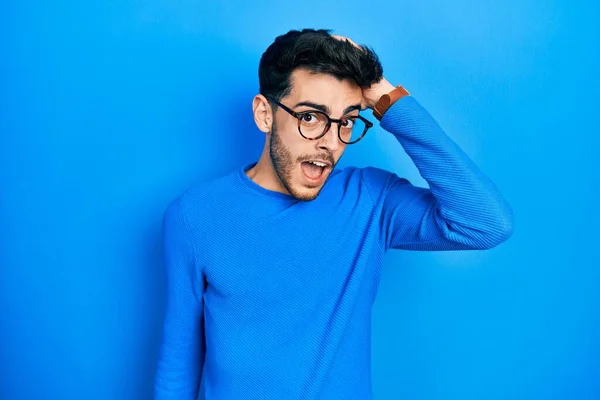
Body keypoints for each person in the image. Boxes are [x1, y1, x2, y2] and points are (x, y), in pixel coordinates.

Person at [153, 28, 514, 400]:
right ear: (265, 114)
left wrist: (385, 97)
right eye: (311, 117)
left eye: (346, 121)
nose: (330, 142)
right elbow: (179, 359)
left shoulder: (371, 201)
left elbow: (485, 223)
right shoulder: (194, 216)